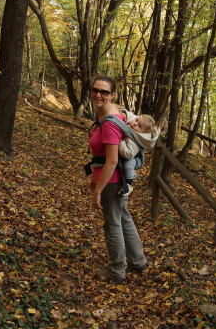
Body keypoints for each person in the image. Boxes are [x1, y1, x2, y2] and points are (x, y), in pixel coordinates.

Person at [88, 75, 147, 282]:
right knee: (123, 218)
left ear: (112, 95)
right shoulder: (110, 115)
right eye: (95, 90)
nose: (98, 94)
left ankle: (116, 270)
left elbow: (112, 161)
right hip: (115, 178)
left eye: (104, 92)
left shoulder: (110, 122)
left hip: (112, 180)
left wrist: (98, 191)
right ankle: (138, 261)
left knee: (112, 224)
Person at [116, 110, 158, 197]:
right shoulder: (133, 123)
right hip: (126, 152)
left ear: (142, 132)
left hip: (134, 158)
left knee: (128, 164)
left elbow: (128, 154)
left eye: (139, 126)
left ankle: (128, 184)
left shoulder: (136, 139)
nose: (135, 123)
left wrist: (121, 142)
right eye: (137, 120)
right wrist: (125, 114)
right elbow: (132, 116)